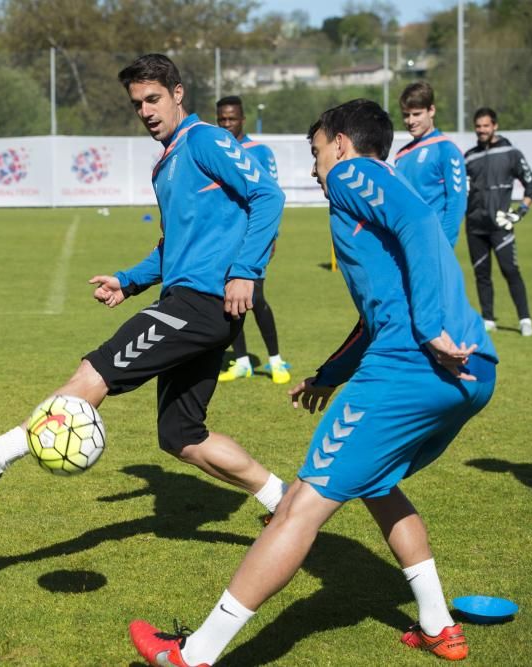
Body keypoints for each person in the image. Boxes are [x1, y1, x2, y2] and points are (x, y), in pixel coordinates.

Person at [130, 99, 496, 665]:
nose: (313, 168)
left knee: (299, 502)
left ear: (343, 144)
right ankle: (439, 626)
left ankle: (194, 654)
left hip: (414, 366)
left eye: (316, 151)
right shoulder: (377, 187)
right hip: (472, 370)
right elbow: (376, 314)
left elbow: (422, 223)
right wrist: (329, 375)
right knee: (376, 483)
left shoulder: (355, 174)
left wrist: (428, 327)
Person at [0, 54, 289, 520]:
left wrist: (246, 269)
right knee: (180, 436)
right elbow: (172, 247)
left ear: (178, 94)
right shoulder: (165, 167)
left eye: (154, 99)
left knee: (95, 369)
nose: (146, 111)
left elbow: (268, 195)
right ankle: (284, 500)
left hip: (199, 304)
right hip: (192, 305)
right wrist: (128, 280)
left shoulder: (205, 140)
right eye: (138, 104)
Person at [214, 95, 291, 384]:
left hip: (255, 239)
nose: (227, 124)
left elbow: (272, 196)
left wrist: (272, 237)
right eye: (222, 119)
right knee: (230, 299)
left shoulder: (260, 152)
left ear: (242, 119)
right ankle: (243, 361)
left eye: (232, 118)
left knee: (256, 298)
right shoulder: (216, 150)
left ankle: (275, 361)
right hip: (226, 240)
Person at [464, 107, 532, 336]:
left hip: (501, 226)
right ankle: (488, 319)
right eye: (478, 126)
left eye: (486, 126)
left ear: (494, 126)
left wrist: (520, 211)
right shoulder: (469, 156)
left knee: (510, 270)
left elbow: (531, 184)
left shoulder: (510, 152)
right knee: (481, 274)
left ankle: (525, 319)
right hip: (475, 226)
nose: (482, 130)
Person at [394, 82, 466, 246]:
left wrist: (444, 246)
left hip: (433, 244)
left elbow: (457, 202)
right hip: (404, 243)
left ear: (431, 111)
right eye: (406, 115)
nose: (410, 121)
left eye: (417, 114)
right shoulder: (401, 155)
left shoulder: (446, 150)